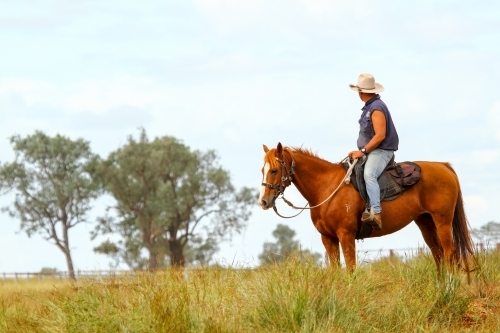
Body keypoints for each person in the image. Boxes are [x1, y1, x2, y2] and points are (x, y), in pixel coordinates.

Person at [348, 73, 399, 230]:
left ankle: (376, 212)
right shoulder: (370, 106)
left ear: (360, 92)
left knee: (369, 174)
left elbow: (380, 136)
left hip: (382, 150)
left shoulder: (376, 108)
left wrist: (362, 151)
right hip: (372, 150)